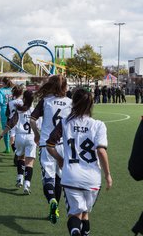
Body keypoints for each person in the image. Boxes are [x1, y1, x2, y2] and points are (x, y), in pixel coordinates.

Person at [46, 88, 112, 236]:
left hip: (71, 177)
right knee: (85, 213)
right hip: (93, 179)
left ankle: (75, 232)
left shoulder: (65, 123)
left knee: (75, 214)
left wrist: (60, 159)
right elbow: (101, 151)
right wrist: (108, 175)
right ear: (91, 104)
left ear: (73, 102)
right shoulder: (98, 125)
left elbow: (49, 145)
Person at [30, 75, 72, 224]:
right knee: (59, 178)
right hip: (63, 146)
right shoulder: (70, 102)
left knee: (48, 178)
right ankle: (57, 207)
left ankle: (52, 201)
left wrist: (36, 134)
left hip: (47, 144)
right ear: (64, 87)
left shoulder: (46, 101)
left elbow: (32, 119)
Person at [0, 77, 14, 153]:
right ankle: (15, 147)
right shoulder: (12, 90)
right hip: (13, 109)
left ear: (3, 83)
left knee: (5, 130)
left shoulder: (0, 90)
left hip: (4, 110)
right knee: (14, 129)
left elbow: (0, 102)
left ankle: (7, 148)